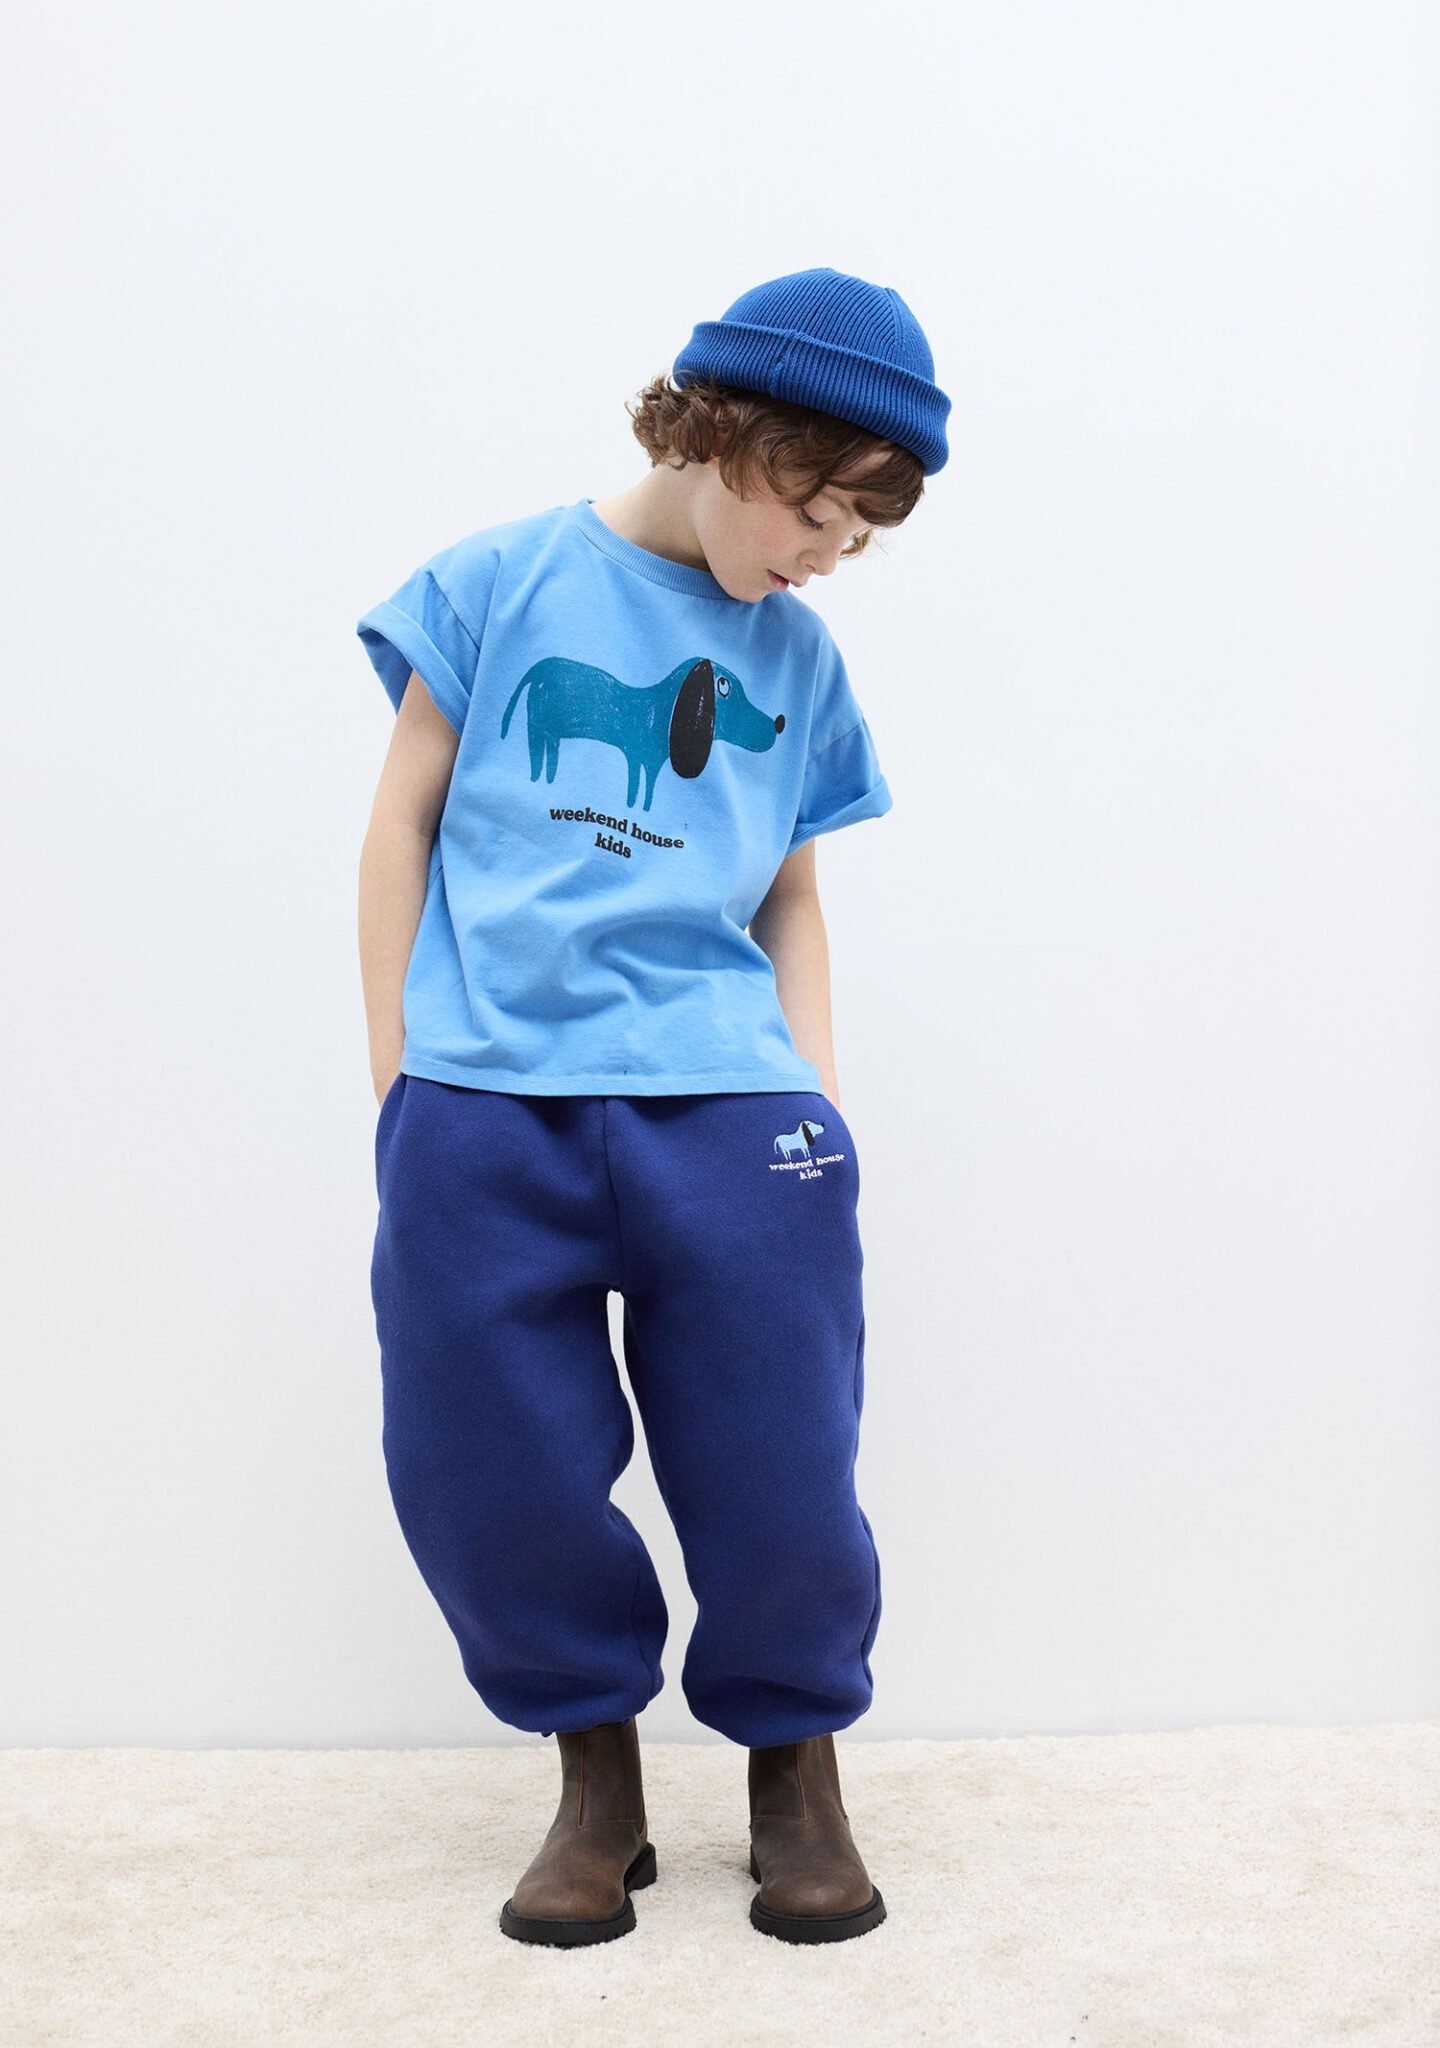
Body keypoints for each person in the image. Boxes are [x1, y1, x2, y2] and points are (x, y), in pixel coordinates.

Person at [355, 267, 950, 1947]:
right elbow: (399, 824)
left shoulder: (799, 659)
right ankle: (595, 1784)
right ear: (723, 434)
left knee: (782, 1456)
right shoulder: (495, 583)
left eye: (860, 534)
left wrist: (817, 1105)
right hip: (489, 1102)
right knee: (485, 1456)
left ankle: (795, 1772)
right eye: (818, 511)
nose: (828, 554)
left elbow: (791, 895)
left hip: (735, 1110)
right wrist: (400, 1081)